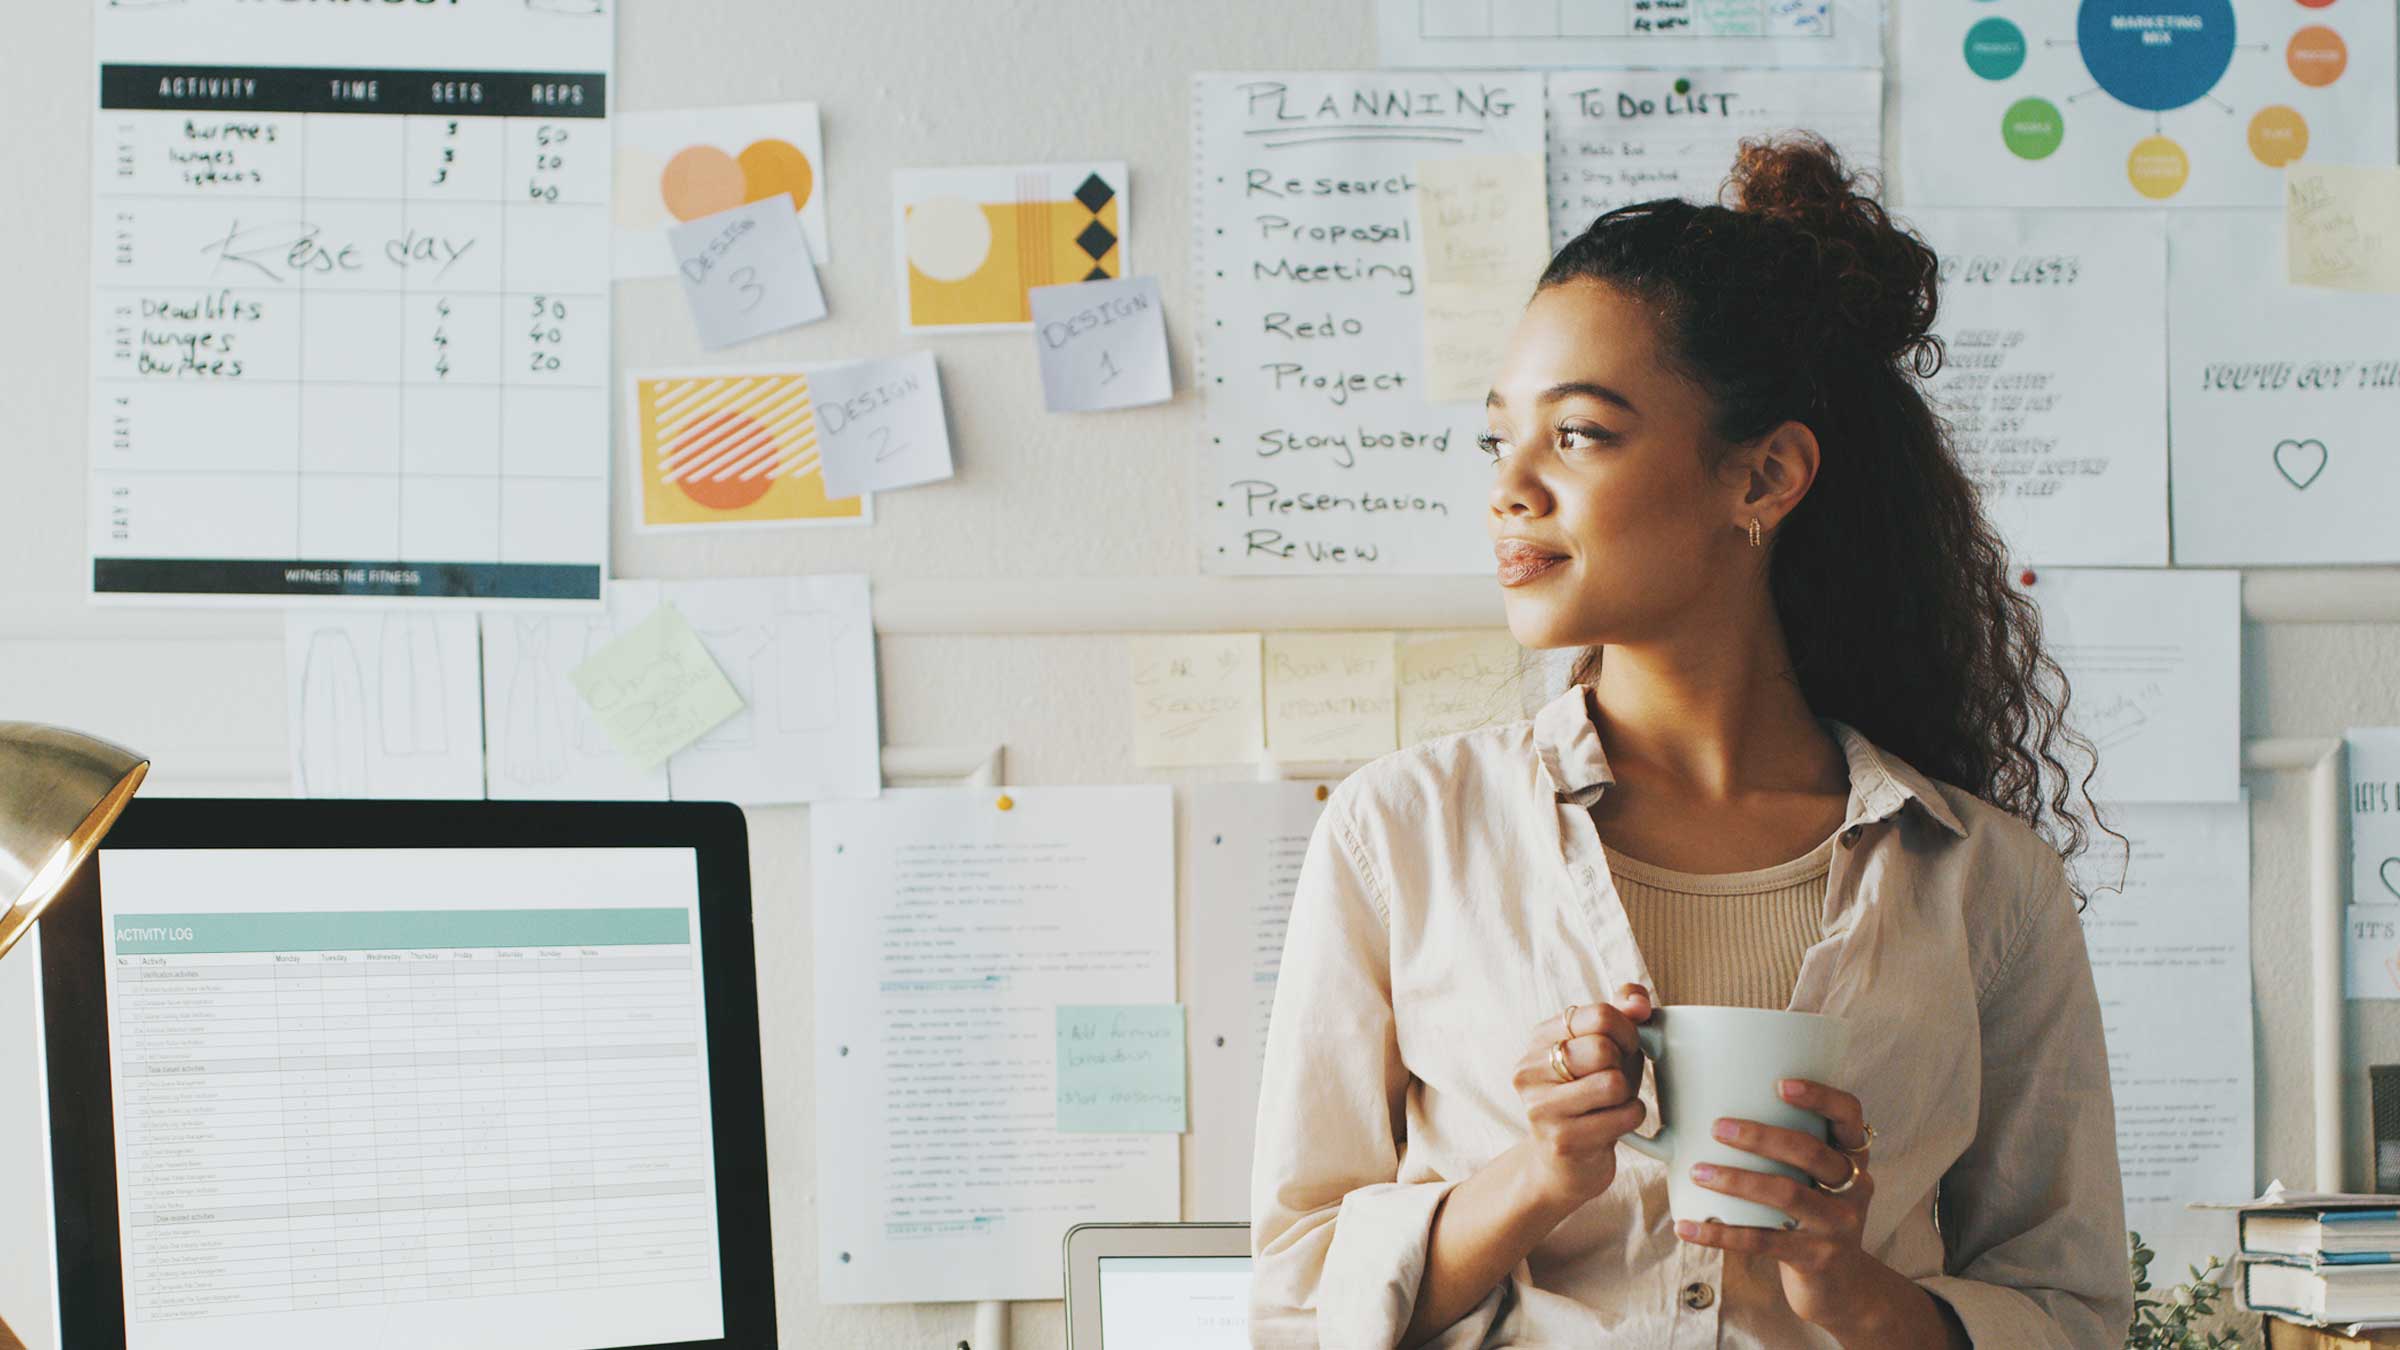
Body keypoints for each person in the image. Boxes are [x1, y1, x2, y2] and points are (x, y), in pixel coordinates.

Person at [1247, 134, 2134, 1349]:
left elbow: (2073, 1316)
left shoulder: (1988, 880)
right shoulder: (1398, 832)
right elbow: (1297, 1305)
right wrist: (1539, 1176)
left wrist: (1849, 1285)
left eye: (1579, 435)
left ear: (1763, 475)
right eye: (1497, 436)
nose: (1510, 487)